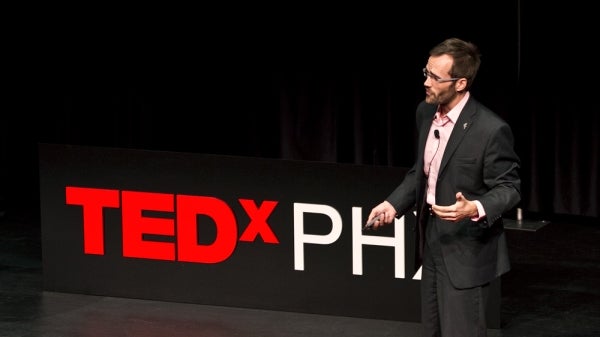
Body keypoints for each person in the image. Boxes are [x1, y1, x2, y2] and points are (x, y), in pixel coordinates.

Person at [366, 37, 521, 337]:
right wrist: (393, 204)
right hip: (431, 238)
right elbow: (420, 174)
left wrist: (474, 208)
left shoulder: (491, 129)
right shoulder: (425, 113)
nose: (426, 82)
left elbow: (510, 188)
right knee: (432, 330)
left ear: (460, 83)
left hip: (467, 245)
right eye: (426, 72)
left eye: (435, 77)